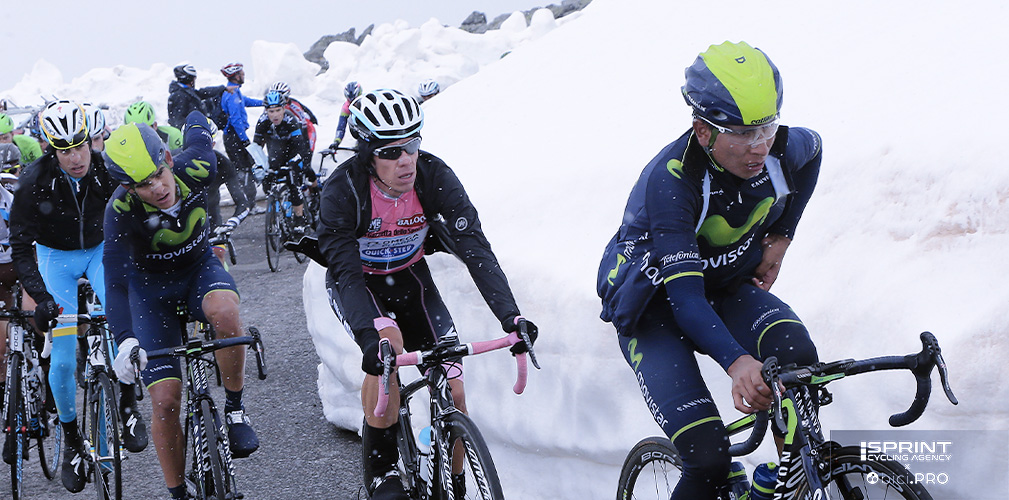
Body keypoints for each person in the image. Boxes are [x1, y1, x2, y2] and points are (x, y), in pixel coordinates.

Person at [596, 41, 822, 499]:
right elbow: (686, 301)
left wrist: (782, 236)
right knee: (708, 458)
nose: (760, 146)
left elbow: (814, 149)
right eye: (742, 133)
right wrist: (738, 364)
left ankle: (788, 484)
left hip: (720, 287)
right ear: (702, 130)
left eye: (767, 127)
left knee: (798, 359)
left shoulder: (777, 147)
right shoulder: (672, 180)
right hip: (656, 310)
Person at [317, 89, 538, 500]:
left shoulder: (434, 176)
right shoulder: (342, 191)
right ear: (368, 154)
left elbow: (476, 251)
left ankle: (452, 486)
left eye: (413, 144)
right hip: (361, 285)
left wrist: (512, 318)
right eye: (391, 151)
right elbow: (345, 274)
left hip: (412, 281)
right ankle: (382, 470)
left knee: (453, 388)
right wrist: (369, 339)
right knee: (388, 349)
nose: (406, 160)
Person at [104, 113, 260, 500]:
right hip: (150, 293)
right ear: (128, 186)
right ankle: (177, 492)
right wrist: (124, 339)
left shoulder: (195, 166)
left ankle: (236, 409)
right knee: (166, 400)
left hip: (198, 270)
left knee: (226, 314)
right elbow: (116, 282)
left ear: (168, 160)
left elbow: (197, 130)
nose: (157, 188)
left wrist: (196, 118)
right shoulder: (120, 211)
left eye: (158, 174)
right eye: (143, 184)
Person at [8, 99, 149, 492]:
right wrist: (41, 297)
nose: (76, 157)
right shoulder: (34, 180)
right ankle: (71, 441)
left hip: (101, 250)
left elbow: (137, 215)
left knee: (122, 320)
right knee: (65, 354)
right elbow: (20, 247)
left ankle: (127, 404)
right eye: (65, 150)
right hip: (55, 258)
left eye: (82, 145)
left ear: (92, 139)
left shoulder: (107, 169)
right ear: (52, 149)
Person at [253, 90, 317, 236]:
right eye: (271, 111)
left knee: (293, 183)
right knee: (268, 183)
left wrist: (295, 162)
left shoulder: (290, 120)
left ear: (283, 109)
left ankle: (299, 219)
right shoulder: (262, 122)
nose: (275, 115)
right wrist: (257, 164)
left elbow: (300, 145)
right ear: (266, 111)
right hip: (275, 156)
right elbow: (256, 146)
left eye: (278, 110)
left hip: (293, 152)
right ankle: (277, 213)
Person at [220, 62, 264, 214]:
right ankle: (248, 206)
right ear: (236, 76)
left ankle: (247, 204)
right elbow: (236, 120)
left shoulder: (236, 92)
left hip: (235, 137)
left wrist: (265, 103)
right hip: (235, 138)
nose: (244, 75)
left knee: (246, 169)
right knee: (244, 171)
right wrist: (244, 140)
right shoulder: (232, 95)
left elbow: (247, 101)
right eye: (242, 74)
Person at [166, 64, 229, 129]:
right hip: (189, 134)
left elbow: (203, 93)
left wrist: (223, 88)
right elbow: (178, 121)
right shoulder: (179, 96)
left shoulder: (187, 92)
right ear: (190, 79)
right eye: (193, 78)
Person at [268, 81, 319, 154]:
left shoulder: (294, 106)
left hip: (306, 129)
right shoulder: (270, 108)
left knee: (305, 154)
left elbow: (304, 125)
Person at [326, 80, 361, 151]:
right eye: (350, 101)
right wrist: (336, 142)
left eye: (355, 100)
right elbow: (341, 126)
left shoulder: (365, 101)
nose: (353, 103)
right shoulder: (346, 107)